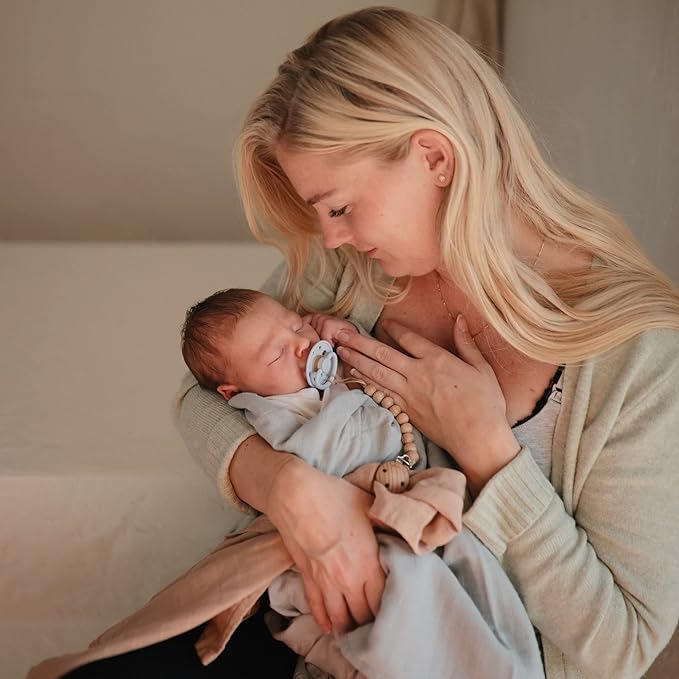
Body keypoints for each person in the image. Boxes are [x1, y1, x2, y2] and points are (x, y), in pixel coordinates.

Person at [52, 5, 679, 678]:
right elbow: (202, 393)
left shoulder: (638, 358)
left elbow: (623, 645)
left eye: (341, 207)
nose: (329, 237)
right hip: (303, 621)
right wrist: (293, 491)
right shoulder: (353, 272)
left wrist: (489, 453)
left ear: (434, 157)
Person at [177, 286, 543, 679]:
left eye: (297, 325)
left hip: (410, 508)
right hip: (353, 524)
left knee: (477, 571)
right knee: (412, 585)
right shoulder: (270, 413)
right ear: (235, 393)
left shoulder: (324, 368)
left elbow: (378, 379)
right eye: (277, 354)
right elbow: (322, 453)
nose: (301, 345)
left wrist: (349, 340)